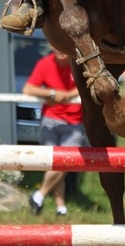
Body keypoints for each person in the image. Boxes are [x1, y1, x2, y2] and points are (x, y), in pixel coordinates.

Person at [22, 47, 85, 217]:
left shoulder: (78, 64)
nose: (60, 49)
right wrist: (51, 93)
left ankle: (39, 194)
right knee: (56, 164)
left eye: (62, 45)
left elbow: (89, 85)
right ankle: (61, 207)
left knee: (65, 162)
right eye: (56, 45)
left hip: (74, 122)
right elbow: (28, 89)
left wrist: (68, 95)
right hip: (50, 120)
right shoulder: (44, 64)